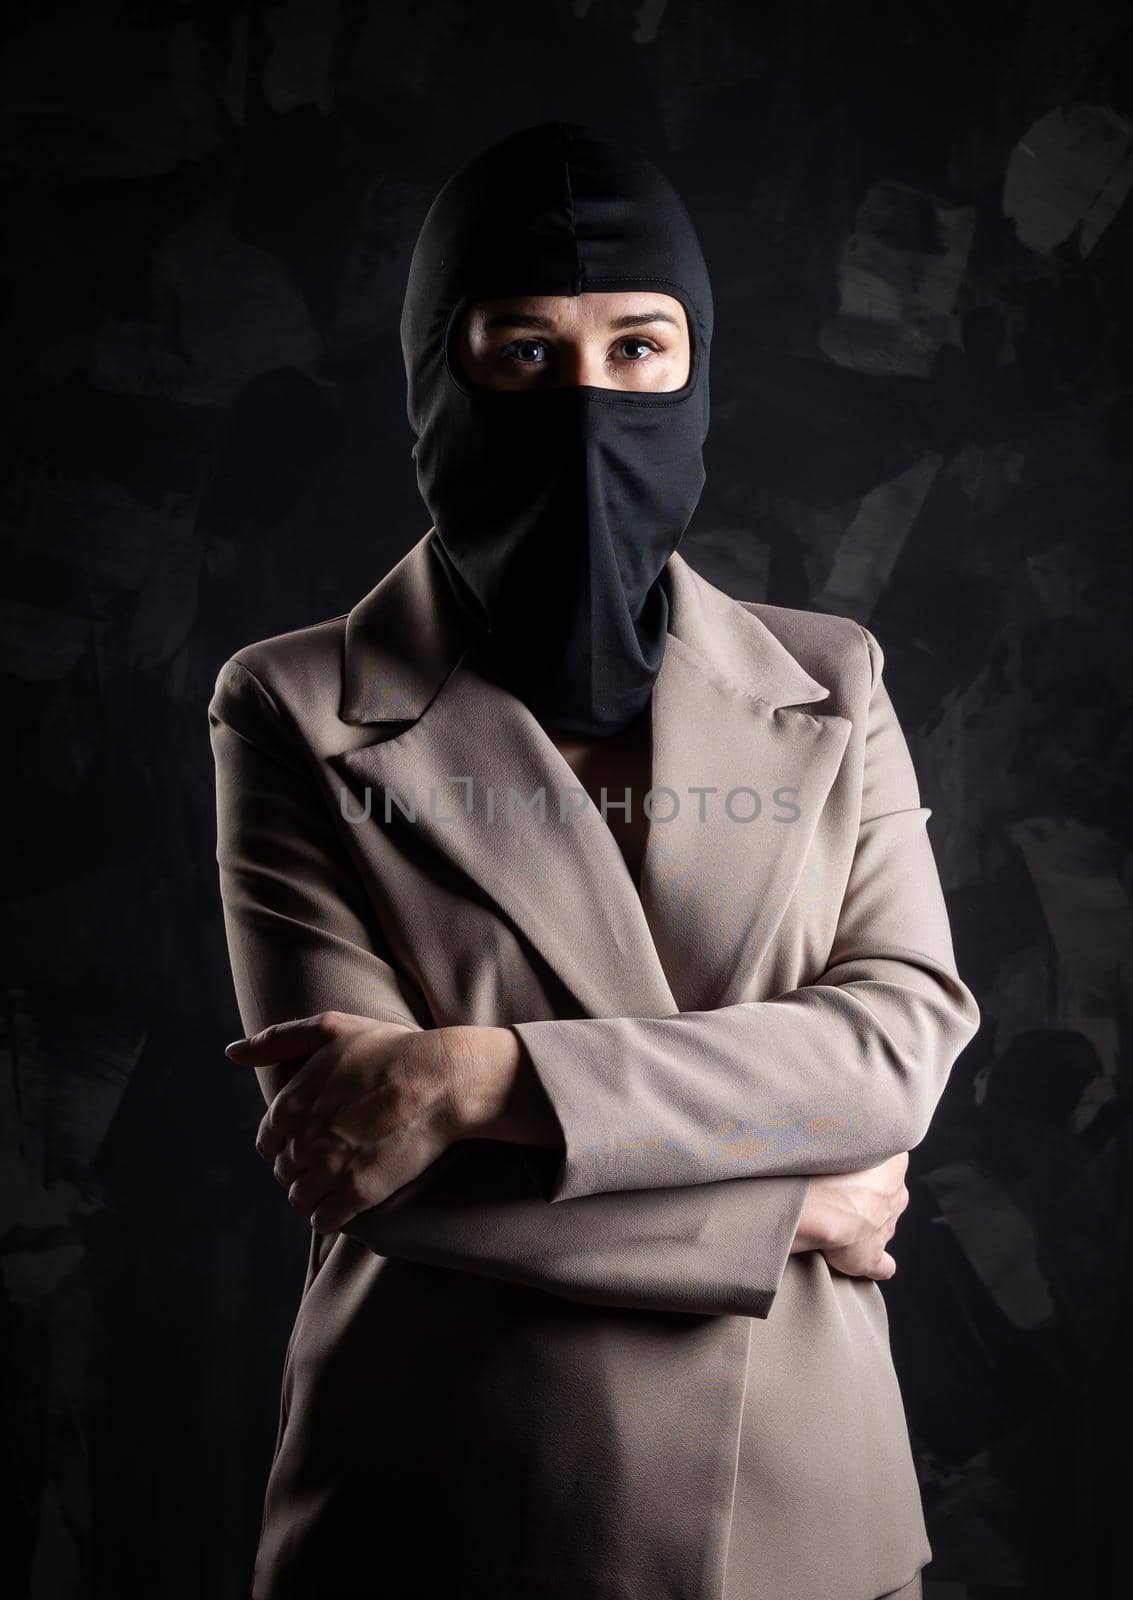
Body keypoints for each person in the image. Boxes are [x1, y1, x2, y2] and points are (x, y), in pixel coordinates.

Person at [209, 121, 980, 1600]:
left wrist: (473, 1081)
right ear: (441, 375)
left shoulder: (836, 678)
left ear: (696, 374)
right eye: (522, 352)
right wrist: (782, 1203)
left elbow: (892, 1052)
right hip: (442, 1504)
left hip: (803, 1505)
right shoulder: (289, 706)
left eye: (639, 350)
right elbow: (358, 1161)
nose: (586, 404)